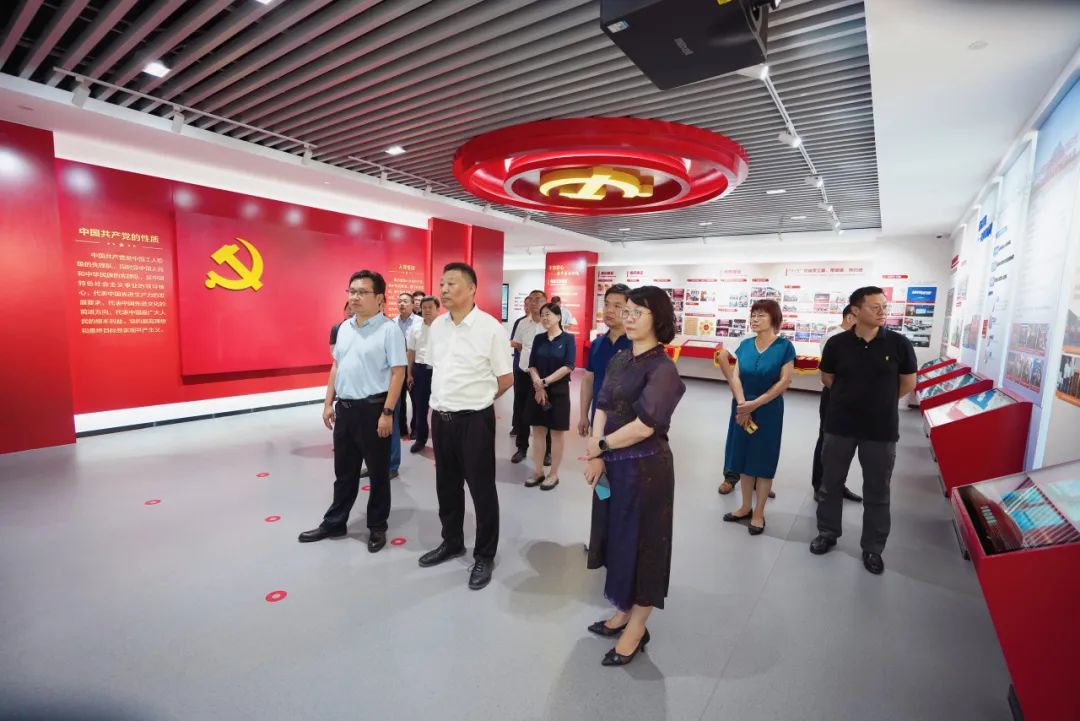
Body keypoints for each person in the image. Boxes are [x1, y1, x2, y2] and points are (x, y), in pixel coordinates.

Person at [584, 286, 686, 667]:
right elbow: (602, 404)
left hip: (645, 472)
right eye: (625, 311)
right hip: (613, 465)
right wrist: (597, 451)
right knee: (617, 541)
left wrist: (601, 446)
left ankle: (637, 627)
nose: (627, 317)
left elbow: (646, 425)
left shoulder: (663, 369)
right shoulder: (620, 358)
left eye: (636, 312)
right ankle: (622, 610)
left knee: (644, 547)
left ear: (658, 319)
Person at [418, 262, 514, 590]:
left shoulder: (490, 329)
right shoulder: (437, 326)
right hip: (441, 419)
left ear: (472, 288)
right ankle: (452, 541)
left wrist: (479, 399)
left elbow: (505, 379)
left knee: (481, 489)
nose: (444, 289)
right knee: (446, 486)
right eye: (442, 284)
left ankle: (484, 555)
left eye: (452, 284)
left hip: (474, 420)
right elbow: (438, 370)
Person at [811, 286, 917, 575]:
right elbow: (828, 377)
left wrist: (878, 403)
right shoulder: (837, 344)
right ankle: (827, 533)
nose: (882, 311)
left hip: (880, 429)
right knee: (830, 484)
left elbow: (908, 383)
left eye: (884, 306)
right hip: (839, 425)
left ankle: (873, 547)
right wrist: (850, 399)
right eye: (875, 306)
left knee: (877, 490)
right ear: (855, 311)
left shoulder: (899, 344)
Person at [299, 270, 406, 553]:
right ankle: (335, 522)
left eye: (362, 292)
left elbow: (398, 372)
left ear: (380, 298)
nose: (355, 297)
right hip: (345, 410)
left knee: (378, 473)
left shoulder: (389, 330)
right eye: (352, 291)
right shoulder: (344, 328)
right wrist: (328, 402)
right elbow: (337, 366)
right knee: (344, 472)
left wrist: (387, 412)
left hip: (374, 410)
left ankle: (377, 526)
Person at [717, 299, 795, 535]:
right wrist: (742, 404)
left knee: (763, 460)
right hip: (742, 405)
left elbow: (785, 381)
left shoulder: (784, 347)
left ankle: (759, 513)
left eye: (761, 315)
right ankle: (744, 507)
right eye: (753, 315)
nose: (755, 319)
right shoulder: (745, 345)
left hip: (768, 409)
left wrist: (755, 404)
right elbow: (736, 376)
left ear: (774, 319)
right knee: (742, 457)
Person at [813, 304, 863, 503]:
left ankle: (838, 485)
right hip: (834, 395)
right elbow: (829, 373)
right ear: (850, 318)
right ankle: (820, 485)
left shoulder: (857, 338)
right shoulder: (833, 338)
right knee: (826, 440)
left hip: (853, 398)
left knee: (845, 443)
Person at [524, 303, 576, 490]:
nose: (545, 318)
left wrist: (544, 382)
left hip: (558, 392)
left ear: (558, 317)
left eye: (548, 314)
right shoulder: (539, 338)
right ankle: (538, 471)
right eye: (542, 315)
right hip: (538, 392)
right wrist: (538, 384)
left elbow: (568, 366)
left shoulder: (568, 339)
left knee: (556, 434)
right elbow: (532, 365)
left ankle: (553, 474)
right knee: (538, 432)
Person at [578, 284, 633, 437]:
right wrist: (583, 415)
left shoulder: (637, 345)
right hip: (598, 422)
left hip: (627, 428)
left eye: (617, 306)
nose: (609, 310)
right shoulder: (597, 344)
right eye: (607, 304)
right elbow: (588, 379)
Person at [511, 290, 551, 466]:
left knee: (545, 411)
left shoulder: (549, 323)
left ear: (545, 302)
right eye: (532, 299)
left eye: (538, 300)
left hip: (544, 376)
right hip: (523, 373)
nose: (534, 303)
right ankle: (521, 448)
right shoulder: (522, 323)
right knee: (521, 411)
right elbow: (518, 345)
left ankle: (547, 451)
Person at [406, 295, 439, 453]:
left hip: (439, 372)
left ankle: (441, 443)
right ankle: (420, 440)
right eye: (424, 307)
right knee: (420, 408)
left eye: (430, 307)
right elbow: (411, 352)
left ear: (437, 309)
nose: (426, 310)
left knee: (441, 409)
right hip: (419, 372)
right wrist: (409, 374)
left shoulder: (444, 327)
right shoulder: (415, 328)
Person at [394, 292, 420, 440]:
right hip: (397, 366)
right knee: (398, 400)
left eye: (405, 301)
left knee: (416, 400)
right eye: (399, 301)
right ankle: (401, 428)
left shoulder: (420, 322)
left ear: (412, 304)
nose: (402, 304)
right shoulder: (392, 322)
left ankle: (416, 428)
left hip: (414, 366)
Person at [508, 295, 531, 437]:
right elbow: (513, 341)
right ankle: (517, 426)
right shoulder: (520, 322)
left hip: (537, 369)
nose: (527, 307)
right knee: (519, 398)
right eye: (525, 304)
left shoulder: (542, 323)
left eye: (529, 304)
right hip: (519, 367)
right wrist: (523, 347)